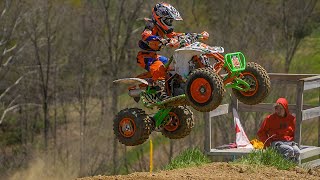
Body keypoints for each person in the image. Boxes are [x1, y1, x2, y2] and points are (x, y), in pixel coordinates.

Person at [136, 2, 184, 100]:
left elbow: (174, 35)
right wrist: (160, 39)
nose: (170, 24)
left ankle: (176, 88)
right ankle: (160, 93)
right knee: (159, 68)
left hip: (154, 56)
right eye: (168, 21)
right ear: (160, 18)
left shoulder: (162, 29)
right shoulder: (151, 25)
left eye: (171, 21)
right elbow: (145, 35)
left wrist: (191, 36)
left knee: (172, 67)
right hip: (145, 57)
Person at [257, 97, 300, 162]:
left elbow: (295, 133)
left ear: (285, 109)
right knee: (289, 150)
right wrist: (268, 144)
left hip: (289, 142)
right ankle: (284, 167)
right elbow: (261, 132)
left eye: (281, 108)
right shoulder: (270, 119)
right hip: (276, 143)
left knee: (297, 152)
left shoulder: (292, 119)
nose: (278, 111)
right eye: (277, 108)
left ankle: (295, 169)